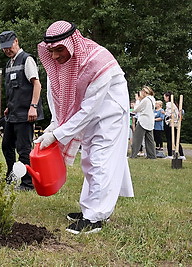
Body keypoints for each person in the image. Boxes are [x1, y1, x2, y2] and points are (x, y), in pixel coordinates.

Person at [35, 21, 134, 234]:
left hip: (110, 112)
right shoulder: (58, 64)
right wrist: (53, 125)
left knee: (100, 159)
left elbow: (89, 108)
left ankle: (95, 218)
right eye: (50, 51)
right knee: (89, 159)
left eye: (59, 49)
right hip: (91, 114)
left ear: (72, 43)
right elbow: (56, 98)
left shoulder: (97, 60)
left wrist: (58, 135)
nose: (54, 56)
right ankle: (90, 210)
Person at [0, 30, 44, 191]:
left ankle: (27, 183)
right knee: (6, 145)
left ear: (16, 41)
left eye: (9, 47)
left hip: (26, 113)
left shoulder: (27, 59)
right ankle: (11, 176)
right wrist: (8, 107)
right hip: (12, 112)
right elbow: (14, 89)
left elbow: (36, 84)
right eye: (4, 48)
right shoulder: (9, 63)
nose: (7, 50)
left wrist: (33, 107)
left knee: (24, 149)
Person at [130, 86, 157, 159]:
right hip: (150, 120)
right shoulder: (153, 99)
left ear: (145, 92)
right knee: (150, 139)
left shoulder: (145, 100)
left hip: (143, 121)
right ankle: (152, 155)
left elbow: (136, 109)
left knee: (137, 138)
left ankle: (133, 154)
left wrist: (137, 100)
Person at [163, 92, 185, 160]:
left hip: (170, 123)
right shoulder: (175, 104)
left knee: (170, 139)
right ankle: (181, 154)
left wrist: (165, 113)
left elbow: (169, 113)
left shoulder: (169, 104)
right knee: (175, 139)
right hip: (174, 123)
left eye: (164, 97)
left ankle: (170, 154)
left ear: (167, 97)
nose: (164, 98)